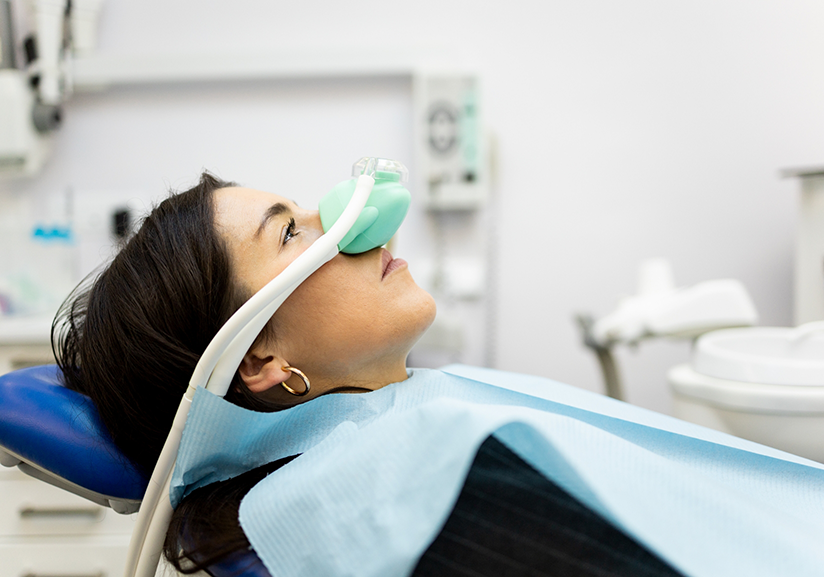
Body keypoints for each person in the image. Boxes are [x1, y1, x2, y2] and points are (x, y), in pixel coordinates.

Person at [52, 172, 690, 576]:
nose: (348, 224)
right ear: (258, 360)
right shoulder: (401, 497)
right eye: (292, 232)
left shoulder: (420, 430)